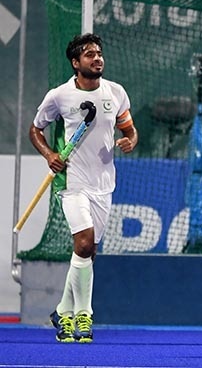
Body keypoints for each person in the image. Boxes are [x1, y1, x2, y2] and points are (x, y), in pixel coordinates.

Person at [30, 33, 138, 343]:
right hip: (72, 182)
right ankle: (83, 316)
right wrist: (50, 154)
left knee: (87, 252)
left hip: (103, 185)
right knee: (85, 242)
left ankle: (62, 310)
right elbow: (36, 129)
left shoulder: (115, 92)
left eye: (99, 53)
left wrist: (130, 141)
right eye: (89, 54)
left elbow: (130, 130)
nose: (97, 58)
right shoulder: (59, 96)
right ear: (76, 63)